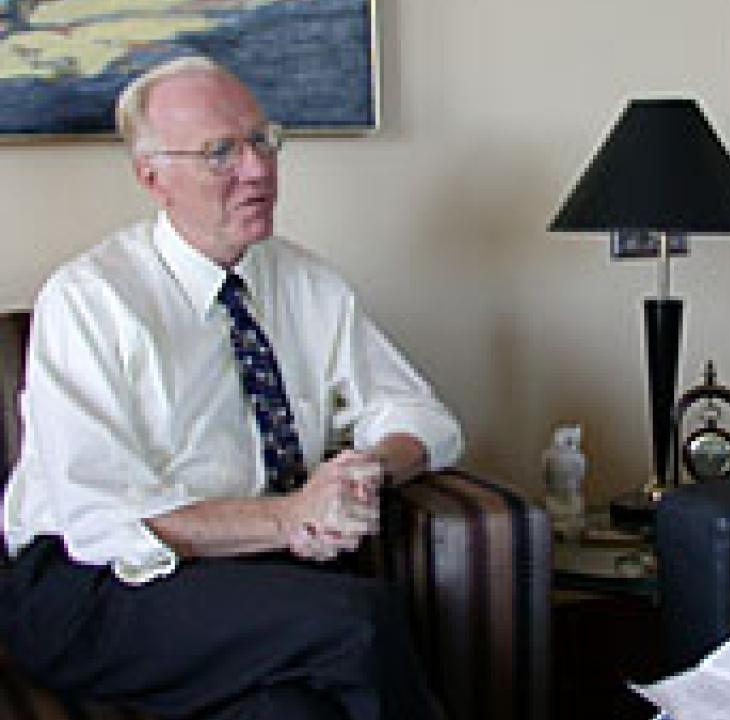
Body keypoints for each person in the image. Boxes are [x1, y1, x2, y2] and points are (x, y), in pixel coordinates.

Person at [1, 56, 463, 720]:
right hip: (95, 584)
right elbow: (101, 522)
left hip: (247, 574)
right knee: (356, 619)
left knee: (292, 711)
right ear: (153, 177)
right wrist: (290, 517)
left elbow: (424, 417)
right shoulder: (91, 301)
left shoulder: (305, 283)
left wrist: (363, 472)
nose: (257, 170)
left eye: (261, 141)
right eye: (221, 152)